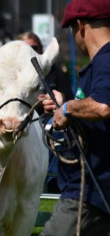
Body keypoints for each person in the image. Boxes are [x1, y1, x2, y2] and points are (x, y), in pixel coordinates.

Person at [36, 0, 110, 236]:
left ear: (81, 25)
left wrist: (67, 109)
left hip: (91, 193)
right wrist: (65, 104)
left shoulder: (106, 60)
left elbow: (102, 106)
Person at [17, 31, 74, 193]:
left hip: (50, 120)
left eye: (35, 47)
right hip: (24, 121)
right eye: (27, 48)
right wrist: (36, 101)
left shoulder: (54, 71)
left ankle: (53, 182)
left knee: (57, 130)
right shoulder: (14, 74)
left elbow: (69, 100)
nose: (31, 51)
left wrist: (57, 101)